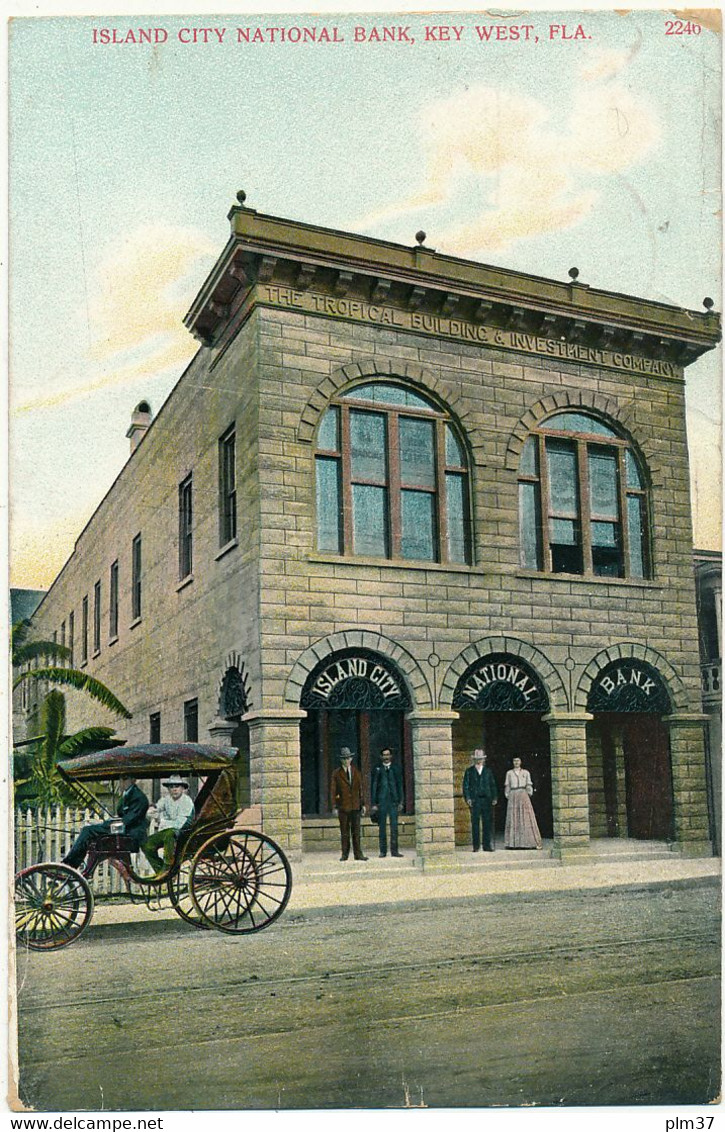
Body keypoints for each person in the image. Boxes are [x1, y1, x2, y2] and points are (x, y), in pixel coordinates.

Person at [62, 775, 149, 870]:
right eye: (120, 779)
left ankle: (69, 865)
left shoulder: (139, 797)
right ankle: (73, 865)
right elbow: (122, 816)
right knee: (90, 830)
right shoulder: (127, 794)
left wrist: (106, 824)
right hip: (123, 831)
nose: (122, 782)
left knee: (87, 830)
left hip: (130, 835)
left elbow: (128, 820)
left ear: (133, 779)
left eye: (125, 779)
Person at [143, 775, 196, 873]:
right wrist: (152, 810)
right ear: (168, 789)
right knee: (147, 844)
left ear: (182, 788)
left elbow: (179, 824)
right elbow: (157, 807)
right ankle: (160, 870)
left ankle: (168, 867)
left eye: (177, 786)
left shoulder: (186, 801)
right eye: (171, 787)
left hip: (184, 833)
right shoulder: (166, 799)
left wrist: (160, 820)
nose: (174, 789)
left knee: (169, 833)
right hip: (169, 831)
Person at [330, 747, 368, 861]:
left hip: (355, 806)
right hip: (343, 807)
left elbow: (360, 789)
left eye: (348, 758)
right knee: (344, 832)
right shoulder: (336, 773)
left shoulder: (356, 772)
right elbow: (333, 790)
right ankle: (345, 854)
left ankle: (358, 854)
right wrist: (334, 806)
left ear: (351, 759)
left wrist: (363, 805)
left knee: (356, 832)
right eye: (344, 759)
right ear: (341, 760)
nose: (346, 761)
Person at [370, 748, 404, 858]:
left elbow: (400, 786)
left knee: (394, 827)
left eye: (388, 755)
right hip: (382, 802)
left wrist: (401, 802)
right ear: (381, 757)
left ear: (391, 756)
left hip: (393, 801)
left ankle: (394, 851)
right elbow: (374, 786)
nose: (386, 757)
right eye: (384, 755)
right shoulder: (377, 769)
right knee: (382, 828)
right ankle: (383, 851)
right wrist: (374, 803)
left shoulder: (396, 769)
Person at [462, 749, 498, 852]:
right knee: (475, 824)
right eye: (477, 759)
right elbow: (466, 786)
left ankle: (487, 846)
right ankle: (476, 846)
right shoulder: (469, 771)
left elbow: (492, 785)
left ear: (483, 760)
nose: (479, 761)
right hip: (475, 800)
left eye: (480, 759)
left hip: (486, 800)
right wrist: (468, 798)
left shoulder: (488, 771)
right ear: (474, 760)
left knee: (487, 823)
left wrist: (495, 797)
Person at [504, 757, 543, 849]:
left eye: (518, 761)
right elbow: (507, 786)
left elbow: (529, 784)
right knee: (513, 817)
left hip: (523, 794)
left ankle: (528, 842)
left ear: (521, 762)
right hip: (513, 795)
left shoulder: (526, 772)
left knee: (526, 817)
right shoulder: (509, 773)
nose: (516, 762)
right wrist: (508, 795)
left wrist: (528, 794)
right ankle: (513, 844)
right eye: (514, 761)